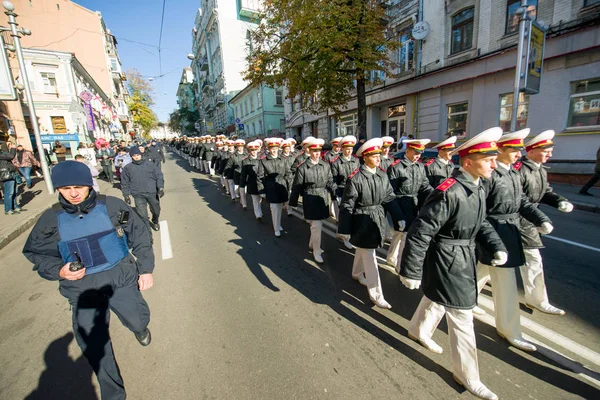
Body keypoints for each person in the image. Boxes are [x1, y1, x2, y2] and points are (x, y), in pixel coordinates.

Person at [22, 160, 154, 400]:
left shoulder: (113, 206)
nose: (73, 193)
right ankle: (114, 395)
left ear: (89, 185)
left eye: (78, 187)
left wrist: (145, 269)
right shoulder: (51, 219)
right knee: (95, 345)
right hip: (82, 289)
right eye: (65, 188)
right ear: (58, 189)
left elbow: (139, 232)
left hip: (120, 278)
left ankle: (139, 327)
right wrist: (60, 271)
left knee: (136, 318)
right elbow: (36, 253)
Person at [400, 127, 507, 400]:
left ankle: (417, 330)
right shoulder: (450, 191)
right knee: (462, 316)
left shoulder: (477, 186)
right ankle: (467, 374)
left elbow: (481, 222)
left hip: (462, 257)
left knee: (437, 299)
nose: (495, 163)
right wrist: (410, 269)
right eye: (488, 159)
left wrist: (496, 245)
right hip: (447, 259)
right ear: (468, 162)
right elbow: (421, 231)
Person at [475, 129, 552, 352]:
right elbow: (480, 211)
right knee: (506, 282)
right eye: (514, 150)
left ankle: (463, 301)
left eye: (519, 150)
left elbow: (522, 202)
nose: (519, 154)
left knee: (482, 271)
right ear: (499, 150)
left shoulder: (512, 174)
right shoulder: (489, 176)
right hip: (493, 233)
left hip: (509, 230)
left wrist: (540, 219)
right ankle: (510, 330)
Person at [338, 137, 403, 309]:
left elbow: (389, 197)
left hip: (377, 219)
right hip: (362, 222)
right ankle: (376, 295)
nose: (378, 158)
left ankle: (357, 273)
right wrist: (344, 229)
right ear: (365, 157)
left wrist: (399, 216)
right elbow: (347, 205)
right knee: (370, 257)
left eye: (379, 155)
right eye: (374, 155)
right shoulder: (356, 178)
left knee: (364, 250)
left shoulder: (382, 174)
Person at [517, 130, 573, 315]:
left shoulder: (539, 169)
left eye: (551, 150)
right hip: (518, 221)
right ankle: (537, 299)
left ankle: (537, 299)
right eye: (546, 150)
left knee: (495, 263)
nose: (550, 154)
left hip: (528, 220)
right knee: (530, 258)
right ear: (531, 151)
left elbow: (545, 191)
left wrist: (559, 201)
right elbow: (518, 199)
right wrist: (539, 219)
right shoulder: (520, 170)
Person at [386, 139, 433, 269]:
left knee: (400, 234)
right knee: (404, 234)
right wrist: (397, 214)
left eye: (420, 153)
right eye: (416, 152)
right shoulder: (396, 167)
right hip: (401, 205)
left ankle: (391, 257)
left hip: (414, 204)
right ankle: (400, 265)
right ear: (407, 151)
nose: (418, 156)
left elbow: (425, 186)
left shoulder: (420, 167)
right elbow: (390, 193)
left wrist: (436, 194)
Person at [289, 138, 336, 264]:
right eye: (314, 151)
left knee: (317, 224)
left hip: (322, 197)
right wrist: (293, 202)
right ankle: (316, 251)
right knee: (316, 225)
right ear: (309, 151)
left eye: (319, 151)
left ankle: (312, 243)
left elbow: (330, 181)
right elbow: (297, 185)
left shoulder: (325, 165)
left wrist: (335, 194)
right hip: (310, 197)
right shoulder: (303, 167)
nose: (317, 153)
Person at [121, 147, 165, 232]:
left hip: (151, 192)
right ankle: (148, 233)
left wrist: (160, 188)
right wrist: (126, 195)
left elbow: (159, 176)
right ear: (131, 157)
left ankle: (155, 221)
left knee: (156, 211)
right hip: (138, 194)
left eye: (138, 155)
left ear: (141, 155)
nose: (136, 157)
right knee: (143, 215)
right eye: (134, 156)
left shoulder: (150, 165)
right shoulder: (128, 168)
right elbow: (124, 182)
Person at [257, 138, 292, 237]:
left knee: (280, 207)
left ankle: (278, 224)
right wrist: (262, 190)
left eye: (276, 148)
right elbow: (260, 177)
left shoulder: (283, 159)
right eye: (272, 148)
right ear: (268, 149)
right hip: (271, 187)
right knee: (274, 208)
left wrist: (289, 186)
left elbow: (288, 173)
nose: (274, 150)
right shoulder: (264, 161)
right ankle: (276, 228)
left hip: (282, 186)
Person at [330, 135, 360, 246]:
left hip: (354, 192)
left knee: (352, 215)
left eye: (351, 149)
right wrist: (336, 193)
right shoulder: (336, 162)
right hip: (341, 191)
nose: (349, 151)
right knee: (344, 216)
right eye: (347, 148)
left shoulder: (356, 161)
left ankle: (341, 233)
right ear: (342, 149)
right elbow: (332, 180)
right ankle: (346, 238)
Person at [240, 141, 263, 220]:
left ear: (257, 150)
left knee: (260, 199)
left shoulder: (262, 159)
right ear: (249, 151)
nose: (254, 152)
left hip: (262, 183)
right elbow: (243, 174)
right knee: (255, 199)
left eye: (255, 150)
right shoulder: (245, 161)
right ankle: (258, 215)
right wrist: (242, 185)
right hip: (252, 183)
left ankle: (259, 211)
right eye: (252, 150)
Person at [1, 141, 19, 215]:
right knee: (9, 193)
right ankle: (8, 209)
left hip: (10, 173)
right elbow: (11, 156)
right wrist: (13, 148)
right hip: (6, 175)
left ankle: (14, 207)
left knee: (14, 191)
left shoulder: (3, 153)